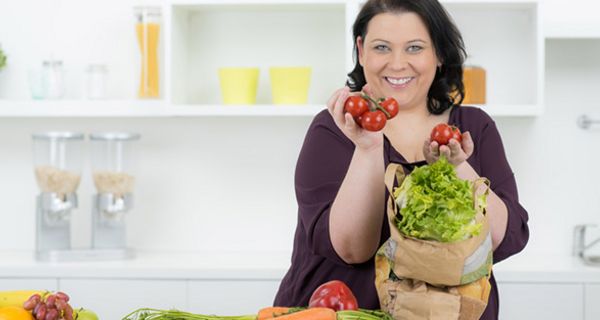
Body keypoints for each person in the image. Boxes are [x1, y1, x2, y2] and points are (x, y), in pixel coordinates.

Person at [273, 0, 529, 319]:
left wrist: (456, 167)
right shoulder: (334, 128)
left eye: (414, 48)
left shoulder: (474, 127)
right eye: (382, 47)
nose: (397, 64)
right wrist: (367, 148)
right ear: (362, 49)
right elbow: (352, 249)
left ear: (438, 53)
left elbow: (501, 240)